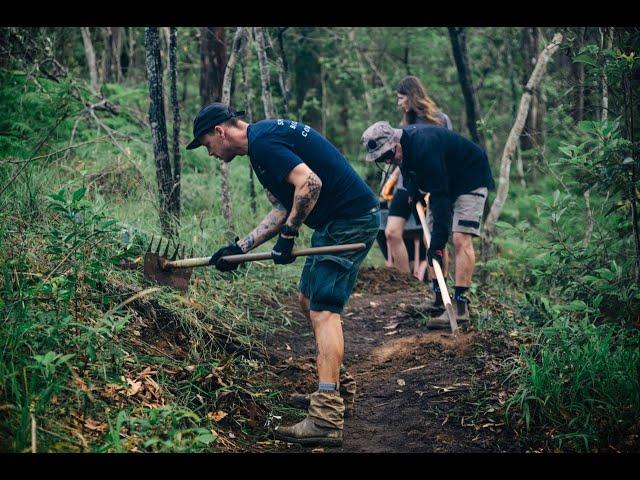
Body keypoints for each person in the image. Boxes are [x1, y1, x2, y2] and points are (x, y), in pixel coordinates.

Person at [186, 103, 380, 446]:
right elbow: (283, 206)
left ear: (220, 131)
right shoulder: (261, 145)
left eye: (206, 144)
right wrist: (240, 248)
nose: (211, 153)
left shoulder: (264, 142)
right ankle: (335, 389)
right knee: (307, 300)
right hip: (335, 222)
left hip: (350, 222)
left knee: (323, 311)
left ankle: (325, 418)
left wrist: (289, 236)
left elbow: (311, 183)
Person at [361, 120, 495, 328]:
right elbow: (410, 173)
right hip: (444, 180)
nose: (388, 161)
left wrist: (438, 246)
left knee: (459, 237)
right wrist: (413, 194)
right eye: (382, 158)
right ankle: (440, 299)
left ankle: (460, 307)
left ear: (396, 141)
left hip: (470, 177)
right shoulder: (403, 150)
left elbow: (440, 199)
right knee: (429, 236)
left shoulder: (425, 145)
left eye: (388, 155)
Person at [382, 77, 454, 312]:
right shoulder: (405, 124)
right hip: (408, 184)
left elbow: (448, 150)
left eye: (401, 97)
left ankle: (440, 286)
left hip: (433, 183)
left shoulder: (440, 120)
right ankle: (406, 284)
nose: (399, 102)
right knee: (392, 232)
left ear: (411, 96)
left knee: (433, 237)